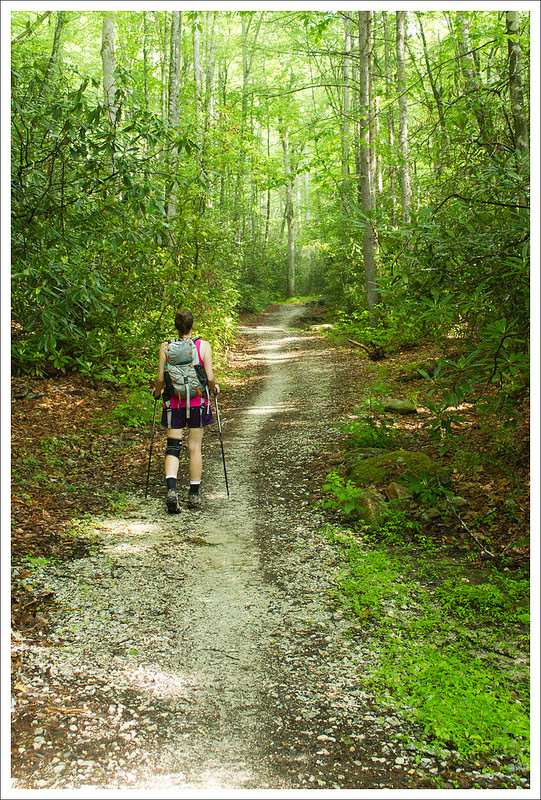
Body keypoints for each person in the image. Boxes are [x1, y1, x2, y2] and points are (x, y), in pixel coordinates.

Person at [153, 309, 219, 513]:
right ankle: (194, 494)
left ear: (176, 325)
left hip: (174, 403)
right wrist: (214, 388)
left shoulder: (166, 346)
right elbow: (209, 377)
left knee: (173, 447)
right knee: (194, 448)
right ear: (192, 325)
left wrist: (156, 393)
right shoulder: (203, 346)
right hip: (197, 402)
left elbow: (161, 379)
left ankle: (172, 491)